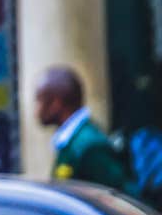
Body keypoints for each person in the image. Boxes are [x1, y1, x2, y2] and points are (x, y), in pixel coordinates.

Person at [35, 66, 137, 195]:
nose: (36, 109)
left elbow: (118, 198)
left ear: (56, 103)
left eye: (39, 100)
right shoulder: (70, 142)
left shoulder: (89, 146)